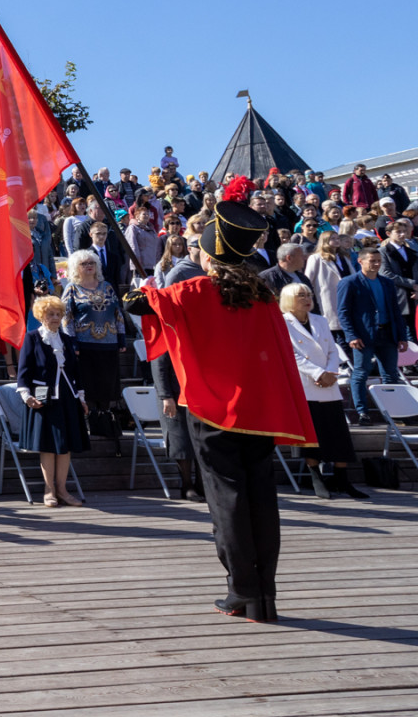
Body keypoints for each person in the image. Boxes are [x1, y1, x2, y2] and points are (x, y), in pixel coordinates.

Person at [127, 181, 315, 624]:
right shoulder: (264, 297)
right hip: (258, 411)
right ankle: (264, 594)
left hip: (213, 412)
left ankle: (241, 591)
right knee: (261, 499)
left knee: (226, 502)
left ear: (208, 257)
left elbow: (137, 304)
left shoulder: (191, 293)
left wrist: (142, 286)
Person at [279, 283, 366, 500]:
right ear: (289, 298)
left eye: (309, 295)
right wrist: (317, 373)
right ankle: (316, 477)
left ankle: (341, 478)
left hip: (329, 384)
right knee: (312, 433)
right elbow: (292, 354)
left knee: (338, 432)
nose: (307, 299)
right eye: (301, 295)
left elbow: (332, 349)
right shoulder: (283, 322)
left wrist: (330, 372)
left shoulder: (320, 320)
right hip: (306, 384)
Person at [17, 294, 89, 507]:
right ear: (41, 316)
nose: (55, 318)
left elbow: (76, 372)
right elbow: (24, 371)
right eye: (51, 314)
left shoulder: (66, 339)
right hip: (43, 397)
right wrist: (26, 395)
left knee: (65, 446)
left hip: (67, 396)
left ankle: (63, 490)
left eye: (58, 314)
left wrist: (81, 397)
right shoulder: (32, 337)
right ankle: (49, 491)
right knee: (48, 446)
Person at [336, 246, 407, 424]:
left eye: (378, 261)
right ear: (360, 261)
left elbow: (395, 311)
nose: (376, 264)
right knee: (361, 373)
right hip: (364, 336)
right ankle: (362, 412)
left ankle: (393, 413)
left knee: (391, 374)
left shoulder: (387, 283)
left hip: (387, 334)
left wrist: (402, 336)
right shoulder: (350, 282)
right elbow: (343, 312)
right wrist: (351, 335)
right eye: (372, 261)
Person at [59, 249, 125, 437]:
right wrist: (72, 342)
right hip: (84, 345)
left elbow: (117, 313)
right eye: (84, 264)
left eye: (91, 263)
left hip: (109, 343)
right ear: (75, 268)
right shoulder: (72, 288)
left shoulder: (107, 286)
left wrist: (121, 337)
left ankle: (105, 420)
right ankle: (90, 421)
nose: (89, 266)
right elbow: (66, 317)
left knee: (107, 383)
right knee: (88, 384)